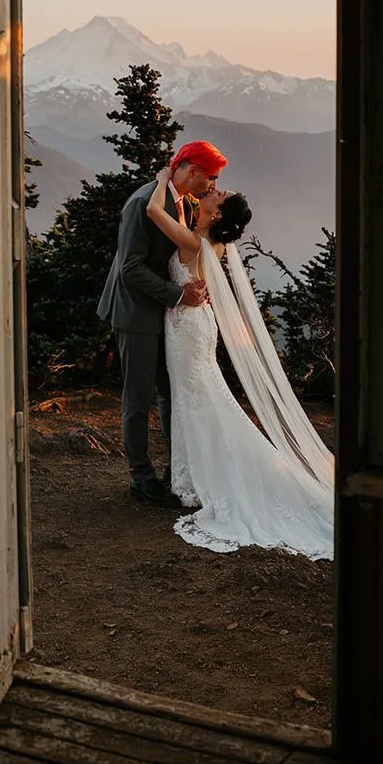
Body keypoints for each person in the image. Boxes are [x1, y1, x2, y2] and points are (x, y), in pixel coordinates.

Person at [146, 168, 335, 558]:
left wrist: (164, 178)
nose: (215, 189)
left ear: (217, 214)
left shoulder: (194, 242)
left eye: (220, 193)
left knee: (193, 399)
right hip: (195, 325)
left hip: (187, 328)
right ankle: (192, 481)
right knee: (198, 398)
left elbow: (152, 211)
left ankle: (193, 482)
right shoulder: (210, 242)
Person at [98, 140, 229, 507]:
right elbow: (131, 268)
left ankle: (177, 474)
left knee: (171, 395)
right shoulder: (143, 203)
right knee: (138, 398)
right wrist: (178, 294)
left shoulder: (185, 202)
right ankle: (141, 478)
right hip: (137, 313)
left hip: (168, 318)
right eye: (212, 176)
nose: (213, 185)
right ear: (191, 170)